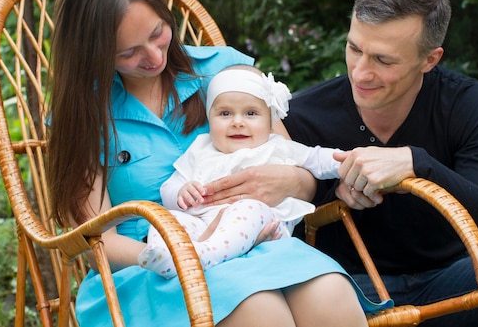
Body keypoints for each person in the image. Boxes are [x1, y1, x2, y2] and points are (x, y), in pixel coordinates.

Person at [46, 0, 384, 327]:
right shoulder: (85, 112)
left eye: (158, 32)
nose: (155, 56)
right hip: (150, 265)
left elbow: (296, 173)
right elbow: (97, 240)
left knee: (332, 296)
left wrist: (277, 193)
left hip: (254, 242)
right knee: (261, 314)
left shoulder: (223, 73)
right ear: (93, 54)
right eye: (129, 53)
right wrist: (177, 255)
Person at [280, 0, 478, 326]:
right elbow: (273, 232)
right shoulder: (303, 115)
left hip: (451, 279)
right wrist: (331, 190)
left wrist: (419, 163)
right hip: (347, 293)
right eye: (354, 48)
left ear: (430, 59)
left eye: (383, 59)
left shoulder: (464, 103)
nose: (360, 73)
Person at [139, 64, 344, 278]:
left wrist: (349, 161)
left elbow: (318, 158)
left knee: (249, 208)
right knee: (169, 218)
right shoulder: (201, 148)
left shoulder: (277, 146)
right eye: (225, 113)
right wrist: (182, 192)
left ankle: (203, 256)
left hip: (260, 228)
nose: (237, 122)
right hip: (202, 224)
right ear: (210, 119)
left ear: (270, 122)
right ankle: (170, 255)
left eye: (251, 113)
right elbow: (168, 188)